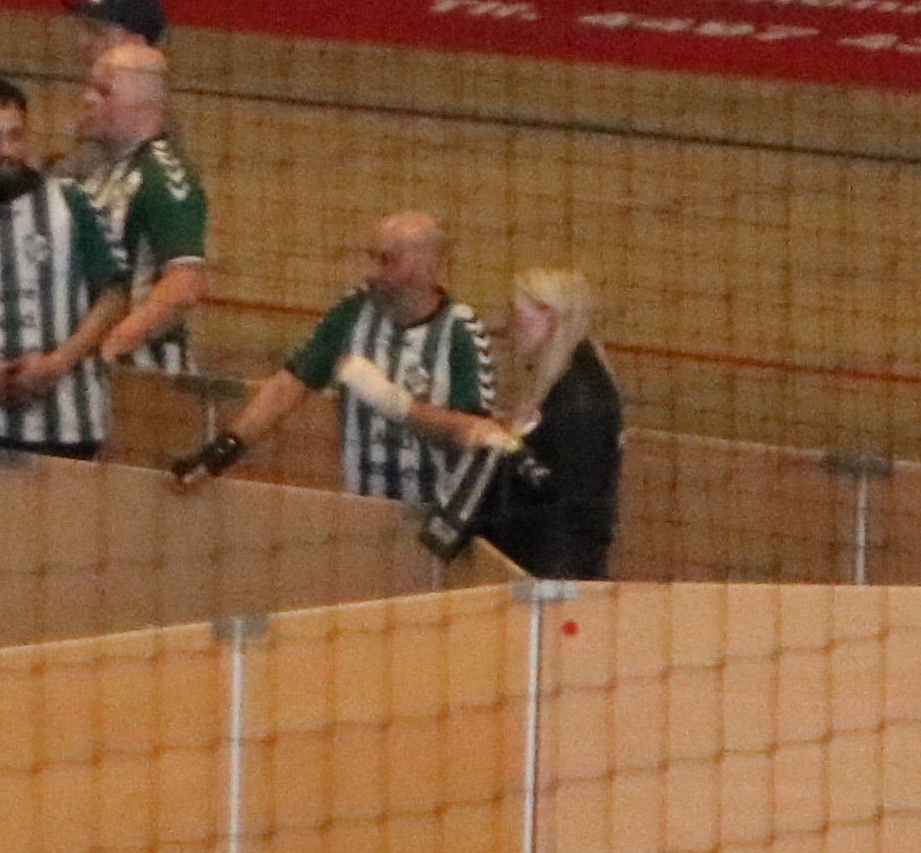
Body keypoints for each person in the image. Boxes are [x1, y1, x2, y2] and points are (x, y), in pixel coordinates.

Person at [184, 209, 496, 508]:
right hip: (360, 509)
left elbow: (475, 434)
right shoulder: (352, 313)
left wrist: (391, 401)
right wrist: (226, 447)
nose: (372, 273)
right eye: (372, 258)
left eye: (387, 260)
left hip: (433, 518)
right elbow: (290, 384)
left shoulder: (461, 332)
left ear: (428, 265)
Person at [0, 74, 125, 460]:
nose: (6, 150)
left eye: (15, 136)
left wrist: (58, 363)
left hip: (69, 427)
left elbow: (114, 295)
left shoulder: (72, 204)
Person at [58, 37, 217, 436]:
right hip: (97, 381)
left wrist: (112, 345)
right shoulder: (104, 172)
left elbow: (184, 284)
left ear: (140, 103)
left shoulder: (163, 177)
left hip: (145, 387)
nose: (87, 98)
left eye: (103, 91)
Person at [462, 267, 625, 583]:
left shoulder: (581, 393)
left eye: (516, 313)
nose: (509, 325)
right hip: (544, 559)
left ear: (550, 316)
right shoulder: (563, 378)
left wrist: (505, 445)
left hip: (558, 569)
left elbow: (570, 492)